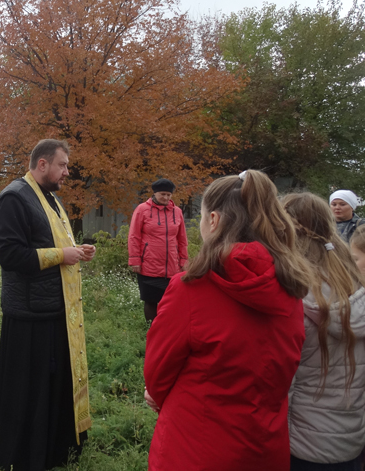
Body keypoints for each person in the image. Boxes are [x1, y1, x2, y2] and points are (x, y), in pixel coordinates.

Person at [144, 170, 313, 471]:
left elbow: (157, 372)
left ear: (214, 221)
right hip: (265, 446)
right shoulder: (292, 287)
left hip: (194, 447)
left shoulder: (191, 288)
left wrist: (156, 396)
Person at [0, 139, 96, 471]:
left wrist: (76, 250)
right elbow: (10, 256)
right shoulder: (14, 197)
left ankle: (55, 447)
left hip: (55, 307)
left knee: (52, 385)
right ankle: (25, 455)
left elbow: (51, 243)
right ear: (42, 164)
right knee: (29, 390)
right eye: (62, 165)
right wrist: (64, 255)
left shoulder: (50, 198)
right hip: (29, 314)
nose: (66, 172)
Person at [282, 193, 365, 471]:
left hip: (300, 442)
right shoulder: (353, 284)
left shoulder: (295, 293)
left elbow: (283, 378)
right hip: (350, 440)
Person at [127, 178, 188, 322]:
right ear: (155, 193)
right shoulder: (142, 210)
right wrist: (135, 259)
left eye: (168, 195)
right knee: (151, 300)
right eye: (162, 194)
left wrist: (184, 260)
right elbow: (134, 236)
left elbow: (182, 239)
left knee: (172, 301)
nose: (166, 198)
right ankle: (151, 329)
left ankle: (167, 329)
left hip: (172, 265)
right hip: (149, 264)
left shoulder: (177, 212)